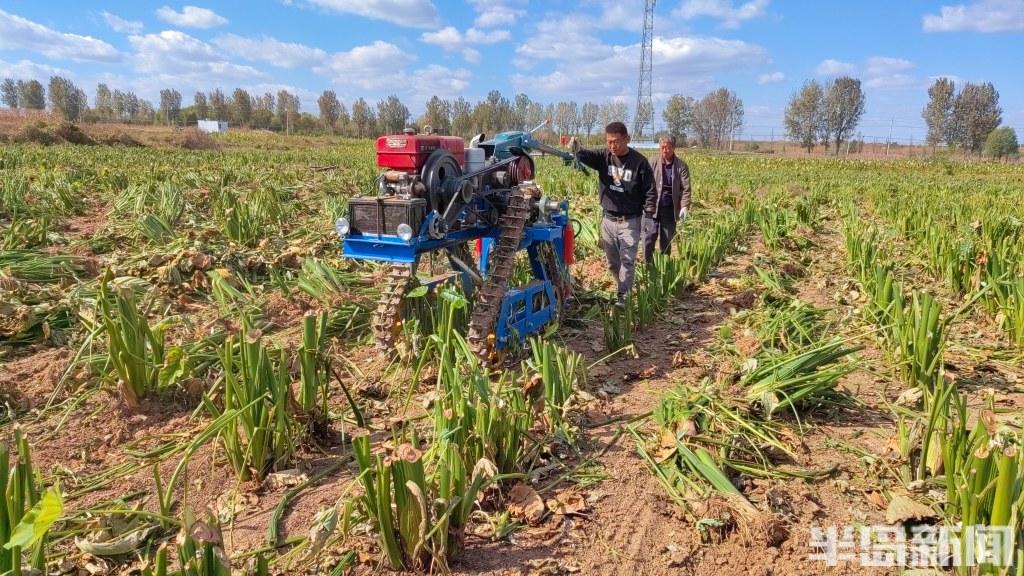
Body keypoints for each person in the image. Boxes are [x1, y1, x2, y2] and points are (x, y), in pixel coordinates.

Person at [571, 122, 656, 306]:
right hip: (608, 220)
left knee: (627, 260)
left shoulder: (639, 163)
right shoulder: (604, 157)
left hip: (630, 221)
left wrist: (648, 216)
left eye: (616, 141)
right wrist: (576, 148)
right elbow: (586, 155)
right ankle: (621, 287)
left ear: (627, 139)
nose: (612, 146)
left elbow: (650, 191)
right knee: (612, 263)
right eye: (609, 142)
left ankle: (623, 297)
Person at [643, 135, 691, 262]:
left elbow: (686, 188)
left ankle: (664, 267)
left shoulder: (681, 166)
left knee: (666, 240)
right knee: (648, 237)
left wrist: (685, 205)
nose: (665, 151)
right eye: (662, 147)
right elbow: (642, 182)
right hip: (651, 207)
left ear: (674, 148)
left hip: (670, 209)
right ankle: (648, 265)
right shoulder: (652, 162)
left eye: (668, 148)